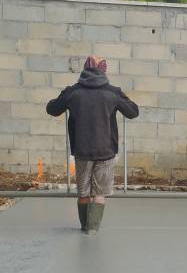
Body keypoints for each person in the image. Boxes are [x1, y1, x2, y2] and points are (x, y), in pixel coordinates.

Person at [46, 56, 139, 235]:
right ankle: (92, 230)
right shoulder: (113, 92)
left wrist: (63, 95)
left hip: (82, 150)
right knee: (99, 194)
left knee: (83, 193)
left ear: (85, 70)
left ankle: (84, 227)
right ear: (104, 71)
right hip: (106, 150)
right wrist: (122, 96)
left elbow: (52, 109)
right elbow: (133, 112)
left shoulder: (73, 92)